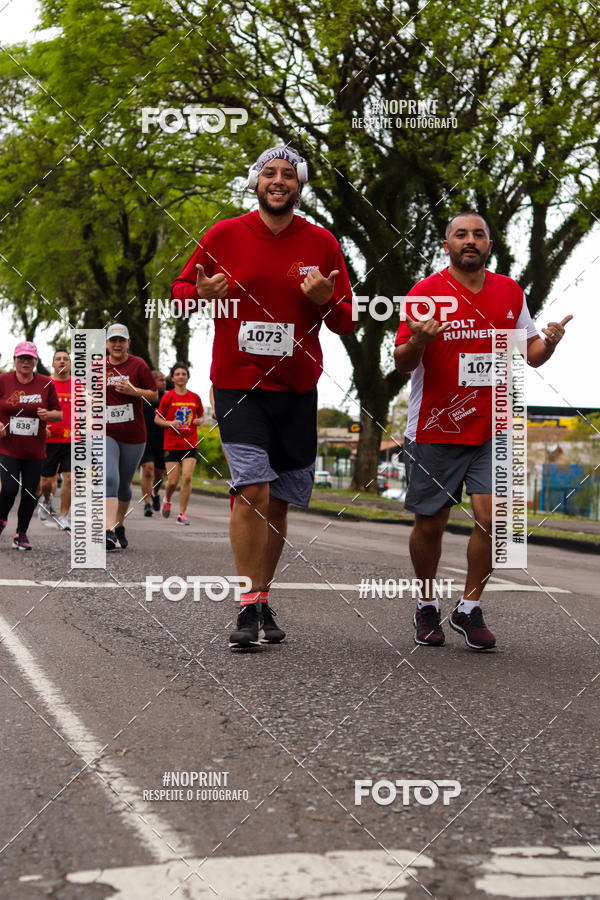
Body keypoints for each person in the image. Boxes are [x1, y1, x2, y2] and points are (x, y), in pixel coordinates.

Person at [172, 145, 355, 648]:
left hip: (297, 387)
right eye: (270, 173)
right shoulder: (224, 234)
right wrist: (200, 294)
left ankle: (263, 595)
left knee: (278, 503)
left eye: (289, 175)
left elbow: (346, 319)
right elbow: (179, 290)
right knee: (251, 489)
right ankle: (246, 602)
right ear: (255, 183)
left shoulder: (320, 242)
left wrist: (326, 301)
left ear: (299, 187)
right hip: (237, 383)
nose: (279, 181)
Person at [394, 211, 572, 650]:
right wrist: (419, 339)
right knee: (430, 525)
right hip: (435, 426)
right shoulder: (425, 293)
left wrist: (547, 339)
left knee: (495, 520)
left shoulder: (510, 291)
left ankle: (469, 608)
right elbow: (402, 361)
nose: (470, 240)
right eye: (461, 234)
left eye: (478, 235)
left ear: (490, 245)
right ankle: (426, 604)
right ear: (446, 245)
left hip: (494, 425)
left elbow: (530, 354)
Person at [0, 342, 62, 549]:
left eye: (29, 359)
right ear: (15, 360)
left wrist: (49, 415)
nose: (25, 362)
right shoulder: (3, 380)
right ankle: (1, 520)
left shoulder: (46, 383)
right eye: (21, 358)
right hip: (7, 446)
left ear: (36, 361)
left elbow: (58, 413)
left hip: (34, 450)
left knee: (29, 492)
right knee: (8, 490)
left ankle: (22, 533)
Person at [105, 324, 158, 550]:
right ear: (107, 344)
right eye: (113, 340)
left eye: (122, 340)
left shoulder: (138, 365)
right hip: (105, 432)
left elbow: (154, 395)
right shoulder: (96, 367)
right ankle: (107, 530)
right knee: (109, 478)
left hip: (134, 435)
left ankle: (119, 525)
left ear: (128, 343)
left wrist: (134, 390)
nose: (117, 344)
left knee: (124, 485)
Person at [155, 363, 204, 525]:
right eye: (178, 374)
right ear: (172, 378)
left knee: (188, 478)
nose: (181, 376)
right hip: (172, 444)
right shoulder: (168, 397)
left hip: (190, 444)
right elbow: (157, 419)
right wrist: (170, 423)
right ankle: (168, 498)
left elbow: (202, 417)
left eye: (184, 374)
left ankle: (182, 514)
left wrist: (199, 421)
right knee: (173, 481)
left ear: (187, 377)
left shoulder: (195, 397)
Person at [38, 348, 73, 530]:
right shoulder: (46, 385)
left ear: (70, 364)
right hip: (50, 440)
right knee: (45, 482)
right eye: (58, 359)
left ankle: (63, 517)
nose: (62, 362)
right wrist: (43, 426)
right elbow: (37, 410)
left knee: (70, 477)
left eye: (65, 359)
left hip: (72, 440)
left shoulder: (78, 386)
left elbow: (88, 411)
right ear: (52, 364)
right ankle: (46, 499)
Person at [140, 370, 166, 516]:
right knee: (148, 469)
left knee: (159, 474)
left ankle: (155, 494)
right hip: (145, 439)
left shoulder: (167, 397)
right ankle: (147, 503)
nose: (164, 382)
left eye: (164, 380)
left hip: (162, 440)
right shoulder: (143, 396)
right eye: (161, 380)